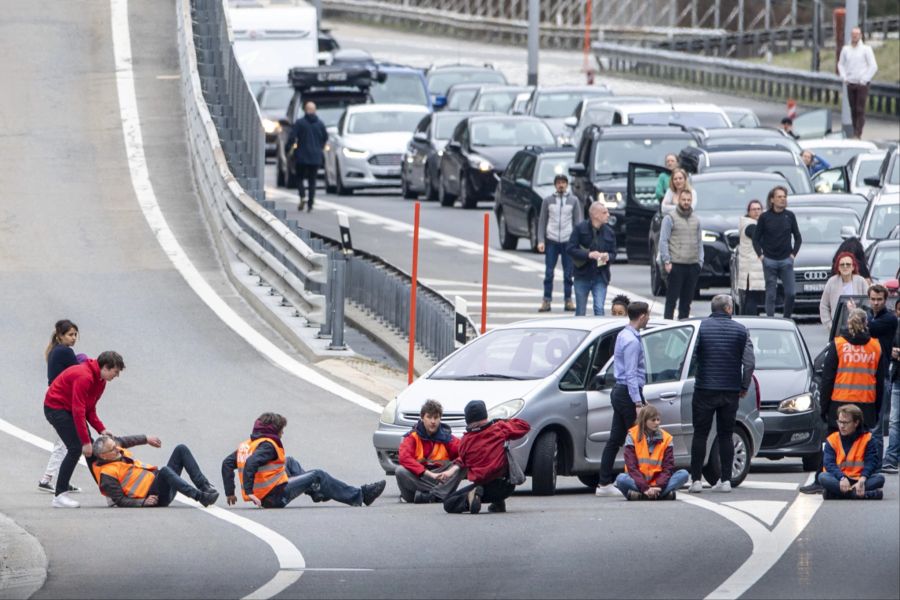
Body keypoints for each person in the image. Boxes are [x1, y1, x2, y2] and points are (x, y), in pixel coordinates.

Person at [222, 413, 385, 509]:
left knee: (289, 461)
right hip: (274, 497)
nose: (282, 434)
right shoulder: (267, 446)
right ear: (272, 432)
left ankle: (317, 492)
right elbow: (251, 463)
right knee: (318, 475)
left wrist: (230, 492)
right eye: (280, 431)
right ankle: (360, 496)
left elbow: (227, 464)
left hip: (267, 493)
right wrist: (249, 493)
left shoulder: (247, 445)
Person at [802, 308, 885, 494]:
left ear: (848, 324)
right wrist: (878, 409)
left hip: (839, 403)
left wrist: (824, 407)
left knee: (831, 444)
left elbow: (827, 379)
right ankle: (863, 482)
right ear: (866, 324)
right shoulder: (875, 346)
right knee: (865, 445)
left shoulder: (838, 344)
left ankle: (821, 480)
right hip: (866, 405)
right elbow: (880, 382)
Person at [688, 295, 755, 494]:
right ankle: (725, 480)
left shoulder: (702, 328)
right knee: (726, 434)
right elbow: (749, 363)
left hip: (705, 389)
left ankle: (696, 480)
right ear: (727, 309)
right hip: (730, 390)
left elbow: (692, 357)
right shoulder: (741, 330)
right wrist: (743, 385)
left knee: (700, 434)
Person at [43, 350, 125, 508]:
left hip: (69, 409)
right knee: (75, 448)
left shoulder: (100, 381)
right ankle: (59, 496)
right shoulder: (84, 376)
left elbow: (89, 408)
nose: (116, 376)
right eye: (115, 372)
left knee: (92, 450)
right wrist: (85, 441)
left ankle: (109, 494)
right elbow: (78, 410)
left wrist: (101, 429)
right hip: (55, 407)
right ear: (106, 368)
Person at [595, 302, 651, 497]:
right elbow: (631, 374)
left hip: (621, 391)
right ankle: (637, 482)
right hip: (628, 392)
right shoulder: (633, 341)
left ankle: (604, 483)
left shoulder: (623, 334)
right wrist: (637, 402)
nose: (649, 318)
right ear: (642, 316)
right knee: (638, 439)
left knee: (616, 438)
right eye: (648, 315)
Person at [441, 401, 530, 514]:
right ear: (485, 415)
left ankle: (473, 495)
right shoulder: (500, 429)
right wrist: (502, 421)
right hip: (506, 486)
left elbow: (463, 460)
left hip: (485, 487)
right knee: (497, 468)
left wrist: (451, 470)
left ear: (468, 420)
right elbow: (524, 426)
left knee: (449, 503)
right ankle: (497, 503)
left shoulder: (466, 441)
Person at [90, 434, 219, 507]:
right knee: (165, 471)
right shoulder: (106, 475)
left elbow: (125, 440)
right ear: (103, 456)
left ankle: (205, 487)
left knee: (181, 449)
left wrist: (146, 439)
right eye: (112, 449)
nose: (117, 448)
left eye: (115, 445)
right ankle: (200, 497)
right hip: (155, 496)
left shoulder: (114, 448)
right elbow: (119, 500)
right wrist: (143, 502)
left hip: (158, 480)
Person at [38, 319, 88, 494]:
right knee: (65, 443)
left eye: (75, 335)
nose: (73, 338)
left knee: (64, 442)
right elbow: (79, 371)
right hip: (59, 400)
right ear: (60, 336)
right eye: (70, 335)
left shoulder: (55, 350)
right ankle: (48, 479)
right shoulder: (65, 352)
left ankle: (55, 479)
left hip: (54, 396)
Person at [615, 404, 689, 501]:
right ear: (644, 421)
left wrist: (658, 486)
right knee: (621, 479)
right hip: (637, 481)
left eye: (658, 420)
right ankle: (662, 495)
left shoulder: (667, 438)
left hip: (659, 483)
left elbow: (668, 467)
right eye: (653, 420)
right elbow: (631, 467)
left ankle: (641, 496)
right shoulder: (632, 435)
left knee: (683, 474)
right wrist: (645, 488)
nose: (657, 423)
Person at [395, 400, 463, 504]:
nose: (433, 421)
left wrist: (451, 471)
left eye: (436, 418)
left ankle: (432, 495)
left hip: (441, 477)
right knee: (400, 471)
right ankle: (441, 493)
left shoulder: (447, 437)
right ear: (422, 418)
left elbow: (466, 452)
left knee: (462, 465)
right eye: (429, 417)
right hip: (421, 477)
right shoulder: (412, 437)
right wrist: (430, 474)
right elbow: (404, 458)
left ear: (440, 418)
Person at [752, 186, 802, 319]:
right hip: (770, 260)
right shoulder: (764, 217)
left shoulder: (789, 216)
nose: (782, 199)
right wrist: (761, 256)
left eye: (784, 197)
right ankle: (770, 319)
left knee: (791, 292)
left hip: (786, 260)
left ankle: (786, 318)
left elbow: (798, 237)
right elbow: (755, 239)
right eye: (779, 197)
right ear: (772, 200)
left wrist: (793, 255)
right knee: (771, 294)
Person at [537, 174, 583, 313]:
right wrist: (541, 240)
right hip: (551, 239)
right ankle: (546, 300)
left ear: (567, 184)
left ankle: (568, 300)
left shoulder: (573, 201)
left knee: (568, 273)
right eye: (558, 183)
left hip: (567, 240)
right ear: (555, 185)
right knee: (549, 272)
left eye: (563, 182)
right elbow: (542, 221)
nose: (561, 185)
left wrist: (578, 242)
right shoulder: (548, 200)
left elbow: (578, 222)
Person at [819, 405, 884, 499]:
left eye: (845, 423)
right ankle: (859, 494)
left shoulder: (867, 438)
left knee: (880, 479)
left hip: (859, 479)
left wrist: (862, 479)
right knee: (822, 477)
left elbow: (871, 462)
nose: (841, 426)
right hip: (839, 479)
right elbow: (829, 464)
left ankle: (836, 494)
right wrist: (842, 478)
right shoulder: (832, 439)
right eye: (840, 422)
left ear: (856, 423)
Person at [659, 189, 704, 320]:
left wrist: (700, 262)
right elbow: (663, 240)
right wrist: (666, 260)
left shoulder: (696, 220)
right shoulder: (670, 218)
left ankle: (683, 325)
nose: (686, 202)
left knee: (687, 301)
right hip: (676, 264)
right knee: (671, 299)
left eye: (688, 200)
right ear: (679, 200)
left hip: (692, 264)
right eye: (683, 200)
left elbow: (700, 242)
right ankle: (667, 324)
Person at [566, 202, 617, 316]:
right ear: (595, 215)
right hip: (582, 275)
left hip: (601, 275)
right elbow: (570, 248)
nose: (608, 215)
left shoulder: (609, 232)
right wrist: (588, 254)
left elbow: (614, 253)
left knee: (599, 309)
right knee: (580, 311)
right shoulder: (580, 229)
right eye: (604, 212)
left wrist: (607, 256)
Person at [865, 284, 898, 454]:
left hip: (881, 374)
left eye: (879, 300)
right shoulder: (871, 316)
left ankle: (877, 462)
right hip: (866, 375)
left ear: (885, 300)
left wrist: (856, 315)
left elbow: (868, 328)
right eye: (872, 299)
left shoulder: (889, 319)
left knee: (877, 425)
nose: (876, 303)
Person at [286, 101, 328, 212]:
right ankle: (310, 203)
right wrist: (319, 148)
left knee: (299, 178)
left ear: (305, 110)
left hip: (302, 156)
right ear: (314, 110)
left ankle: (302, 196)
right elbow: (325, 138)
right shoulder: (320, 124)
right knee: (312, 180)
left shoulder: (300, 123)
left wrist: (288, 149)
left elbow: (292, 137)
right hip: (315, 157)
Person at [838, 27, 878, 139]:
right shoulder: (846, 49)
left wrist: (865, 79)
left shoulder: (866, 49)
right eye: (853, 34)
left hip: (861, 84)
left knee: (860, 108)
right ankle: (855, 128)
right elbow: (840, 64)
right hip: (850, 82)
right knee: (853, 108)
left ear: (860, 35)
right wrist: (844, 76)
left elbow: (873, 66)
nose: (855, 36)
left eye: (857, 34)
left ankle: (858, 132)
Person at [819, 252, 868, 331]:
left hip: (859, 328)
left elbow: (868, 303)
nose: (845, 267)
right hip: (838, 329)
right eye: (842, 264)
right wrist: (830, 325)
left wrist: (863, 324)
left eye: (848, 264)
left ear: (853, 267)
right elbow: (824, 305)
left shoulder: (861, 281)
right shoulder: (831, 282)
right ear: (838, 267)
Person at [736, 200, 765, 315]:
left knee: (750, 298)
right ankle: (751, 320)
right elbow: (761, 240)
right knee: (751, 298)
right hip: (752, 269)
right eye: (754, 209)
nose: (757, 211)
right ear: (749, 212)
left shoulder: (753, 224)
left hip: (752, 268)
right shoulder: (750, 226)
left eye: (759, 209)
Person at [881, 303, 900, 473]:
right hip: (897, 377)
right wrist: (892, 351)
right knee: (894, 421)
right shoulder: (894, 327)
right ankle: (892, 457)